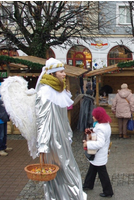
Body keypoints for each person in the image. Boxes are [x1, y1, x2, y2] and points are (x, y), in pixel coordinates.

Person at [35, 58, 85, 200]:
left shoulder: (58, 89)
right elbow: (43, 120)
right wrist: (43, 143)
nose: (64, 74)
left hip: (61, 135)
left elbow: (63, 116)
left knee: (68, 166)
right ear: (52, 73)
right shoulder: (45, 92)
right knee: (58, 168)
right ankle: (57, 196)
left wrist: (68, 133)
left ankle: (70, 195)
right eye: (61, 72)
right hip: (51, 137)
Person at [83, 107, 114, 198]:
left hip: (99, 153)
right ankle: (88, 184)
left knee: (102, 173)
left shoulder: (100, 127)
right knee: (92, 168)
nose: (93, 117)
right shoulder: (105, 124)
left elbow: (100, 143)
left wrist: (87, 144)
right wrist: (91, 132)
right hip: (101, 153)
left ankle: (108, 191)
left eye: (94, 116)